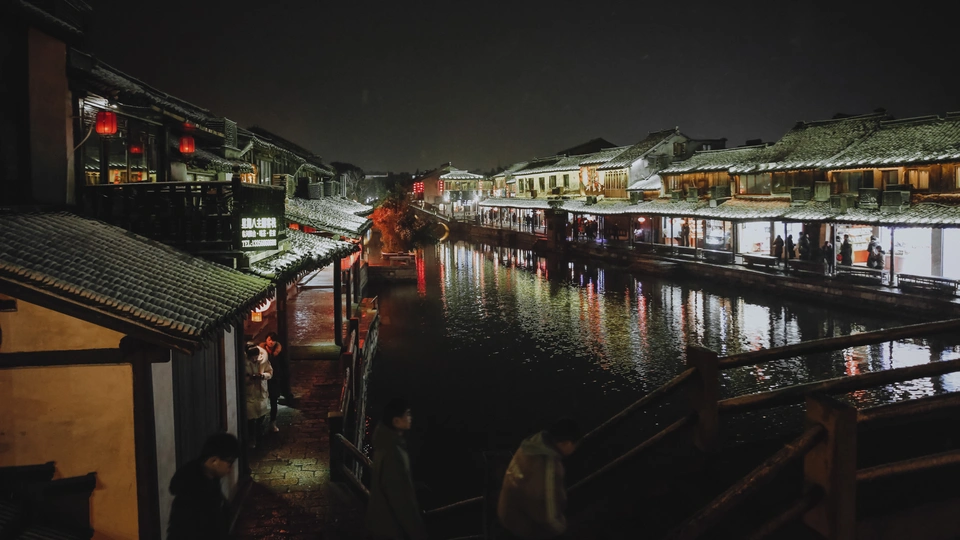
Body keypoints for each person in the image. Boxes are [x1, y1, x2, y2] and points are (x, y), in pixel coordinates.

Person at [497, 418, 581, 540]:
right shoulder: (548, 467)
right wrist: (563, 529)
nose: (574, 449)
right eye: (575, 445)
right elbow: (547, 515)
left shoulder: (529, 446)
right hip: (522, 527)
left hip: (506, 514)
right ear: (567, 443)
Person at [365, 398, 428, 540]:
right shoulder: (393, 453)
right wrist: (418, 534)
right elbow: (400, 500)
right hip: (391, 530)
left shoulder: (383, 445)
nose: (410, 418)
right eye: (407, 414)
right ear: (396, 421)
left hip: (380, 523)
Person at [167, 432, 239, 540]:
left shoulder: (210, 478)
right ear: (214, 461)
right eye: (229, 464)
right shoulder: (193, 491)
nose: (230, 469)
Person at [261, 331, 290, 433]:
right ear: (266, 340)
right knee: (262, 402)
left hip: (274, 379)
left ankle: (272, 422)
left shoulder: (279, 352)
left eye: (273, 340)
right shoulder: (261, 352)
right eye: (269, 340)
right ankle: (260, 423)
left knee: (273, 402)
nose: (271, 342)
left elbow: (284, 366)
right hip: (263, 379)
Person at [245, 343, 273, 449]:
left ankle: (259, 435)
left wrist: (262, 376)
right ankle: (252, 438)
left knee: (262, 415)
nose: (255, 359)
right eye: (252, 357)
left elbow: (270, 372)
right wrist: (250, 379)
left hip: (261, 392)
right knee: (251, 418)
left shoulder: (264, 361)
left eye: (256, 357)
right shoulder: (244, 363)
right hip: (250, 392)